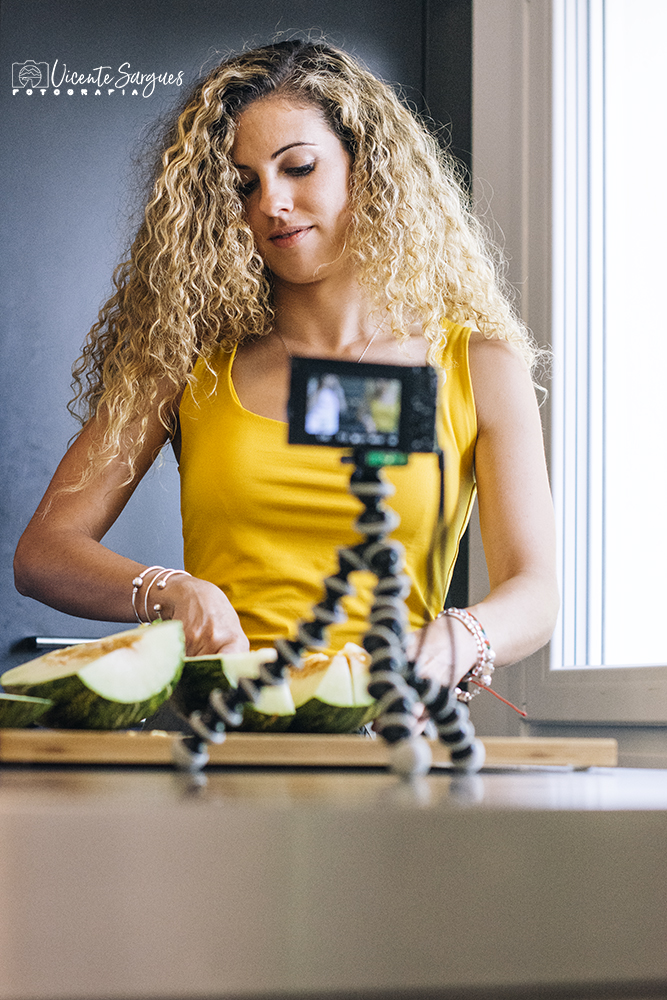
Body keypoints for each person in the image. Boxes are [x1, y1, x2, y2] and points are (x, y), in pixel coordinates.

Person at [13, 39, 559, 698]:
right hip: (221, 728)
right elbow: (44, 551)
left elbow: (535, 591)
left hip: (391, 729)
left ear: (367, 164)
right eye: (243, 184)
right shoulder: (185, 361)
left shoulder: (478, 369)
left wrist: (461, 637)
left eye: (298, 167)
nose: (271, 202)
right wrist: (170, 591)